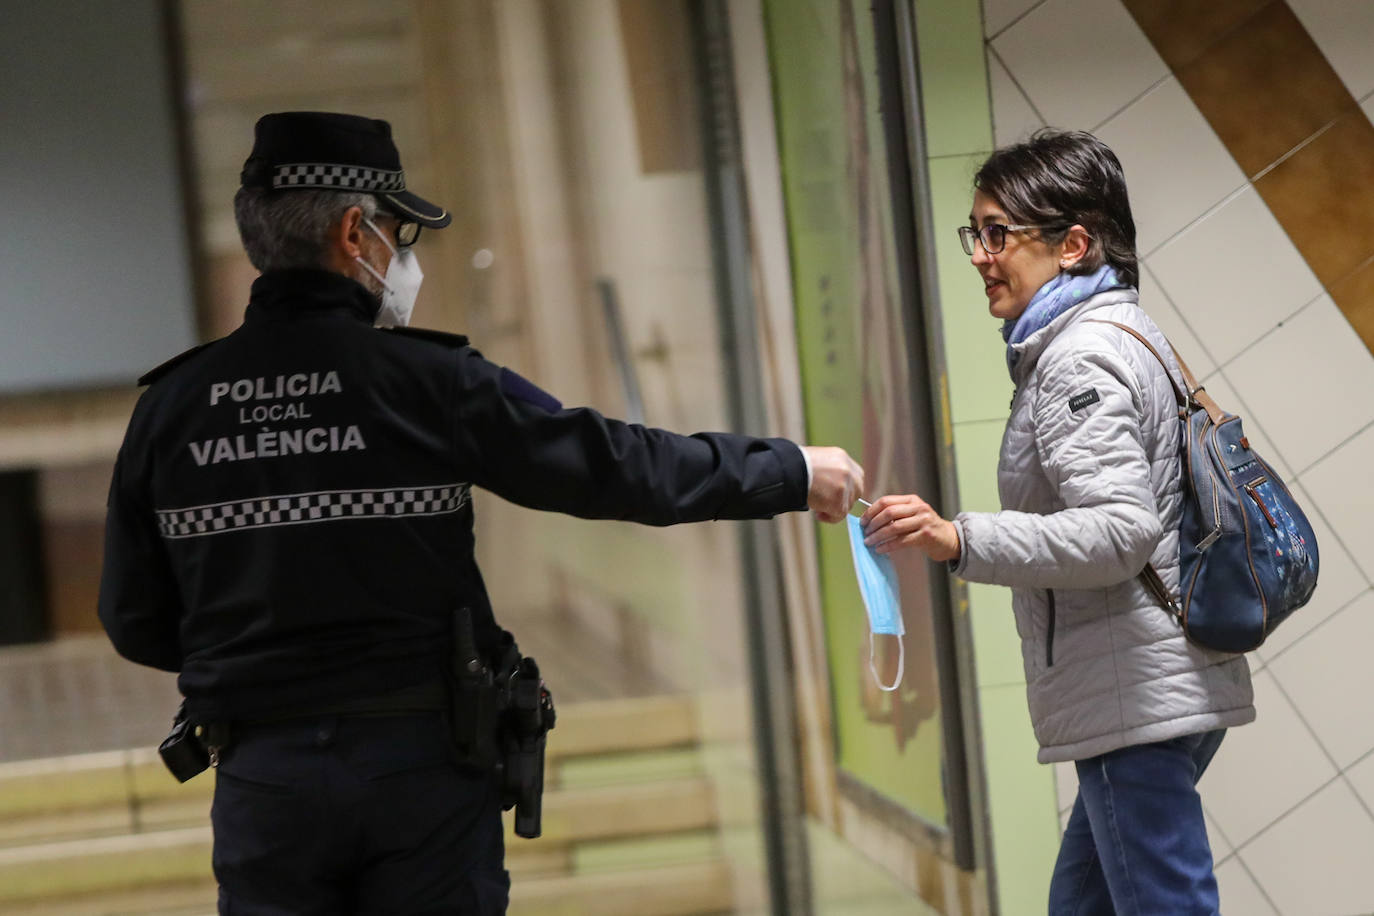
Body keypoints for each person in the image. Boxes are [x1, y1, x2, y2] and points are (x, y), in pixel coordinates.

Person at [97, 111, 865, 915]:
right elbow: (611, 466)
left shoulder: (171, 408)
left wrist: (264, 659)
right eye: (401, 232)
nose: (406, 256)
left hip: (263, 780)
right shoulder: (432, 382)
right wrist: (785, 469)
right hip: (419, 775)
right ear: (355, 234)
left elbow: (134, 618)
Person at [860, 129, 1253, 914]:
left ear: (1073, 244)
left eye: (998, 233)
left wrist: (958, 537)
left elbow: (1118, 531)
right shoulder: (1124, 335)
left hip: (1131, 697)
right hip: (1150, 686)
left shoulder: (1078, 358)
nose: (980, 255)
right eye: (977, 232)